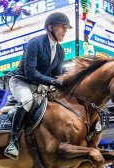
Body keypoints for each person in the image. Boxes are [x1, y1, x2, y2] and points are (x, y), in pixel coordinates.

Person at [4, 12, 72, 159]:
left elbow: (56, 75)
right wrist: (53, 82)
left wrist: (67, 83)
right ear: (50, 27)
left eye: (66, 28)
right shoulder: (35, 43)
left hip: (39, 87)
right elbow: (31, 73)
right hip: (21, 82)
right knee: (27, 101)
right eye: (63, 27)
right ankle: (13, 142)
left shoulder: (60, 51)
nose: (65, 31)